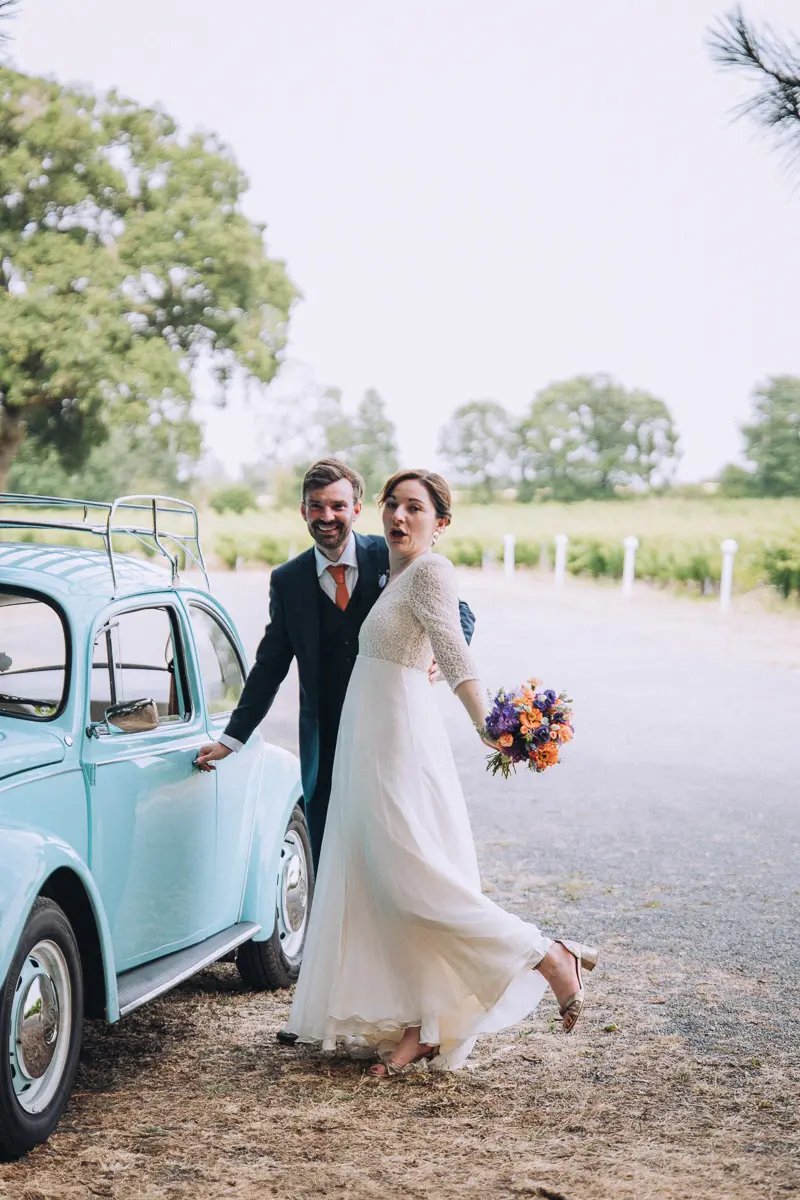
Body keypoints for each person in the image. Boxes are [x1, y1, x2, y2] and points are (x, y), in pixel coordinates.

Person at [285, 469, 597, 1075]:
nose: (399, 518)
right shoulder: (395, 573)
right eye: (392, 506)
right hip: (366, 738)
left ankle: (548, 955)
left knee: (413, 880)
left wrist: (492, 726)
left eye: (415, 509)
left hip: (397, 741)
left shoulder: (431, 571)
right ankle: (420, 1025)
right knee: (380, 884)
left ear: (440, 523)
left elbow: (454, 649)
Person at [195, 458, 475, 873]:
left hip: (390, 733)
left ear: (357, 509)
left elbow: (460, 613)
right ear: (303, 509)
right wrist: (232, 739)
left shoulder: (392, 552)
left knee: (400, 849)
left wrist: (437, 655)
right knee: (331, 856)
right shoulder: (288, 580)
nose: (327, 517)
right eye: (317, 506)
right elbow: (270, 665)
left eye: (338, 506)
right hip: (326, 740)